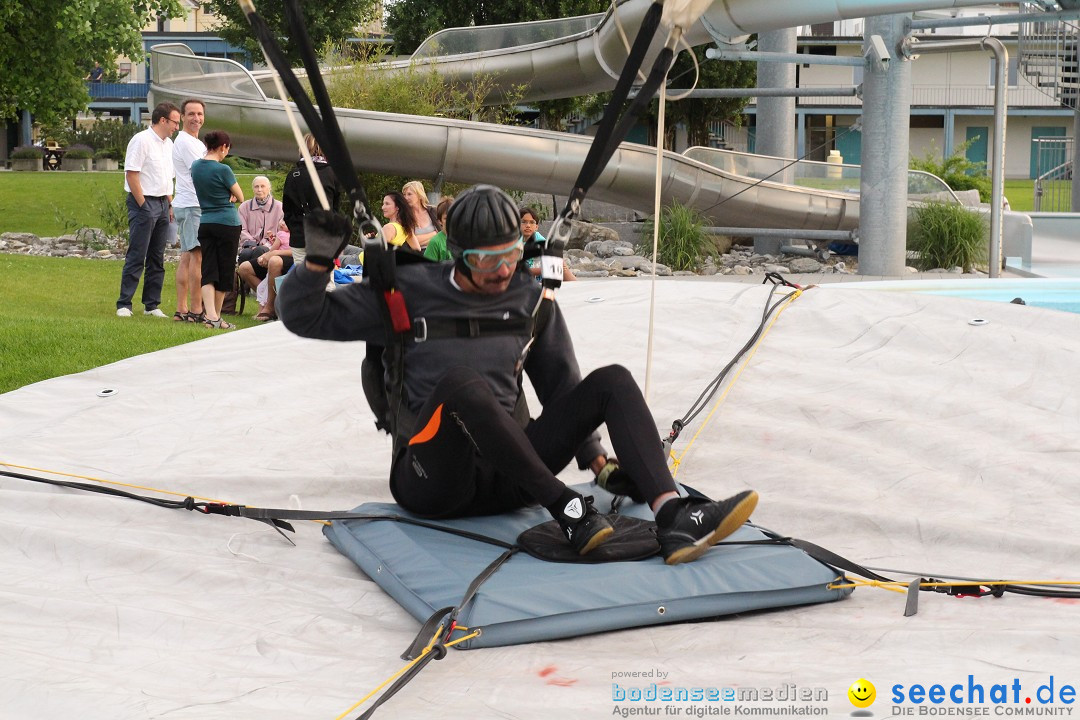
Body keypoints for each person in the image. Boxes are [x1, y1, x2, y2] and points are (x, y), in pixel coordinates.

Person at [277, 184, 759, 564]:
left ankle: (674, 516)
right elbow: (303, 316)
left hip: (515, 477)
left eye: (510, 255)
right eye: (487, 261)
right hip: (433, 480)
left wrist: (597, 464)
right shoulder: (406, 292)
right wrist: (316, 263)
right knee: (465, 386)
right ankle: (570, 510)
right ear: (457, 255)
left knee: (611, 379)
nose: (503, 271)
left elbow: (563, 389)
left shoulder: (529, 298)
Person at [116, 102, 180, 318]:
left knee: (157, 257)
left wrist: (169, 204)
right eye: (175, 122)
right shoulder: (141, 140)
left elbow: (166, 178)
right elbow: (131, 174)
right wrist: (143, 205)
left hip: (162, 202)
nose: (176, 127)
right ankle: (124, 303)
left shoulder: (169, 144)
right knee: (137, 253)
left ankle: (151, 305)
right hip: (144, 202)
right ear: (163, 120)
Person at [190, 130, 244, 330]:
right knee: (225, 270)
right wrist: (231, 195)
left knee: (209, 269)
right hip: (227, 223)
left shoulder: (195, 167)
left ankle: (212, 316)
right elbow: (240, 196)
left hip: (206, 222)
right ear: (223, 147)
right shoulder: (224, 170)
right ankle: (215, 316)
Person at [283, 133, 343, 265]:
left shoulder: (293, 175)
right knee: (327, 280)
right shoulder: (332, 174)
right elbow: (336, 208)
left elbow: (287, 210)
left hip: (300, 235)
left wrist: (295, 228)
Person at [171, 98, 206, 322]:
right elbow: (202, 173)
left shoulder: (193, 141)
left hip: (186, 203)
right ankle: (195, 310)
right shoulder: (186, 142)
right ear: (182, 117)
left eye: (200, 114)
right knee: (196, 257)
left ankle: (181, 309)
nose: (196, 118)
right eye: (191, 114)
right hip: (192, 205)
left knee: (186, 256)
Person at [238, 219, 293, 322]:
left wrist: (274, 253)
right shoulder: (281, 233)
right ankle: (268, 300)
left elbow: (303, 250)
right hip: (275, 254)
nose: (282, 223)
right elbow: (272, 249)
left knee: (274, 261)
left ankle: (270, 307)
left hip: (293, 258)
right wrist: (265, 256)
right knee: (244, 268)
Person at [521, 206, 576, 282]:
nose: (528, 225)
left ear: (536, 227)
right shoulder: (512, 243)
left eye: (532, 222)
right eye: (523, 222)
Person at [402, 180, 439, 249]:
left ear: (419, 195)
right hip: (416, 256)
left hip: (436, 254)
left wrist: (418, 239)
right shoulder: (404, 216)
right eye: (404, 194)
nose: (406, 198)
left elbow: (443, 234)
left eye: (409, 194)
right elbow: (410, 243)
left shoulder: (433, 211)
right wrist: (434, 234)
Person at [423, 196, 453, 261]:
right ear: (440, 221)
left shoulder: (464, 240)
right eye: (446, 218)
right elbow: (428, 267)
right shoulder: (435, 242)